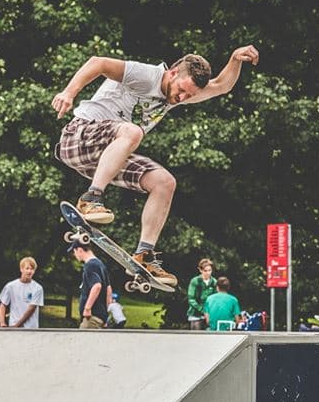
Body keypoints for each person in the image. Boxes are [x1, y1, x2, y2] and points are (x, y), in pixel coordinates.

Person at [52, 45, 259, 287]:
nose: (181, 98)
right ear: (172, 73)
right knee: (132, 132)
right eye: (181, 90)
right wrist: (69, 92)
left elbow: (222, 85)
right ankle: (91, 198)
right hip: (78, 138)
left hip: (105, 156)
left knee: (164, 182)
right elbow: (98, 63)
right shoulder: (145, 75)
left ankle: (145, 254)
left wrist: (234, 58)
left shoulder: (179, 94)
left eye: (188, 96)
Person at [69, 240, 112, 329]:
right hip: (100, 317)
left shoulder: (90, 265)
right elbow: (108, 289)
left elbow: (97, 286)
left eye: (74, 251)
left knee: (81, 342)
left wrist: (87, 308)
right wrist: (106, 315)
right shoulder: (100, 264)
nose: (75, 255)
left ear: (80, 250)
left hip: (92, 317)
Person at [0, 257, 45, 328]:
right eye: (27, 268)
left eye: (32, 269)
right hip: (13, 326)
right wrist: (2, 323)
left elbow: (31, 309)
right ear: (21, 269)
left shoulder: (38, 288)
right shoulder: (11, 286)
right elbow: (3, 304)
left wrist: (17, 326)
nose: (29, 271)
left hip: (31, 328)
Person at [187, 258, 218, 330]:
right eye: (205, 271)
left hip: (210, 315)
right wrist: (203, 310)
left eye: (210, 270)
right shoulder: (195, 281)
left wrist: (210, 312)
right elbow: (191, 299)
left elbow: (215, 298)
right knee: (196, 337)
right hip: (196, 314)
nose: (208, 273)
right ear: (200, 270)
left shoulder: (214, 282)